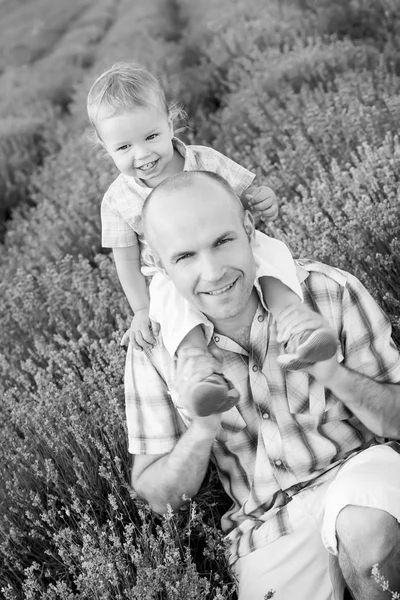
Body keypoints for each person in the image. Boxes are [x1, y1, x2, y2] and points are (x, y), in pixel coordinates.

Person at [126, 170, 400, 600]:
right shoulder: (156, 353)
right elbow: (158, 497)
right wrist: (201, 430)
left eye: (222, 242)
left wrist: (331, 372)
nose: (213, 272)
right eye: (185, 258)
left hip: (357, 473)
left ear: (249, 230)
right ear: (160, 268)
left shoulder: (328, 291)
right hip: (263, 531)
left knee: (368, 535)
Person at [86, 62, 337, 414]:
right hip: (172, 273)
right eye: (124, 148)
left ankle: (296, 322)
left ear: (169, 123)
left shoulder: (203, 160)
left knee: (271, 253)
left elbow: (248, 193)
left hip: (232, 248)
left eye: (151, 137)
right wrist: (141, 311)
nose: (142, 155)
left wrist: (263, 197)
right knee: (169, 305)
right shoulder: (117, 200)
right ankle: (198, 368)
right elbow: (126, 262)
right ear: (105, 147)